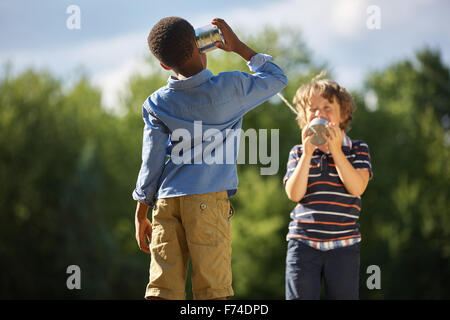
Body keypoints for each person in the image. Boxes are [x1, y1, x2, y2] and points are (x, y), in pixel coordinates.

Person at [132, 16, 287, 300]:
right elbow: (277, 78)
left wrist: (142, 210)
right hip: (207, 201)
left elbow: (151, 161)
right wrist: (239, 47)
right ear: (201, 46)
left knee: (161, 291)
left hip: (166, 202)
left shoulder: (156, 103)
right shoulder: (230, 87)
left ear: (164, 65)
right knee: (213, 291)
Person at [283, 72, 373, 300]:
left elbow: (357, 187)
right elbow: (294, 194)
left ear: (343, 114)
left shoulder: (357, 149)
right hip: (303, 244)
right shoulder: (298, 152)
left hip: (343, 246)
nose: (319, 113)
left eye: (327, 108)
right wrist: (308, 152)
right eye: (312, 109)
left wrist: (335, 149)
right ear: (304, 117)